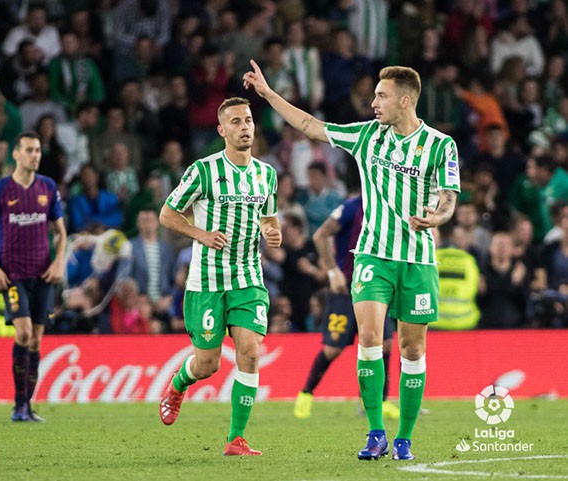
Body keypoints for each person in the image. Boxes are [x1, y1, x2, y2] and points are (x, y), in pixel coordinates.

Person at [244, 61, 460, 461]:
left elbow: (448, 196)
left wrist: (437, 217)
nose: (373, 101)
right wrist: (269, 95)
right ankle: (376, 432)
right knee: (370, 339)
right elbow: (310, 125)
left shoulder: (440, 145)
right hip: (372, 256)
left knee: (412, 350)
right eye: (374, 94)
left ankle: (404, 438)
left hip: (417, 260)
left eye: (382, 96)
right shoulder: (366, 137)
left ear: (405, 100)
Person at [158, 97, 281, 456]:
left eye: (248, 120)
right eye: (236, 122)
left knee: (250, 352)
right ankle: (179, 385)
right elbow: (168, 213)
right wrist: (201, 234)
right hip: (206, 284)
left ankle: (236, 438)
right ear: (222, 130)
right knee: (207, 364)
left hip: (248, 279)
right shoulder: (203, 170)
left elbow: (269, 218)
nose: (244, 127)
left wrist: (272, 232)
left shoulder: (266, 173)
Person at [0, 132, 67, 422]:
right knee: (24, 332)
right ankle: (18, 405)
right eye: (29, 150)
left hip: (43, 276)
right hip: (13, 276)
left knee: (37, 339)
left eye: (38, 150)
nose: (35, 155)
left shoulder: (48, 188)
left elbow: (61, 232)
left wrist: (58, 262)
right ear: (16, 154)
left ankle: (26, 405)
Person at [293, 177, 399, 420]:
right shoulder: (354, 206)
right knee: (333, 348)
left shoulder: (391, 208)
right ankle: (306, 393)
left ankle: (377, 402)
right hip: (346, 288)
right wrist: (333, 272)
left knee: (384, 344)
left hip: (377, 287)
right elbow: (321, 235)